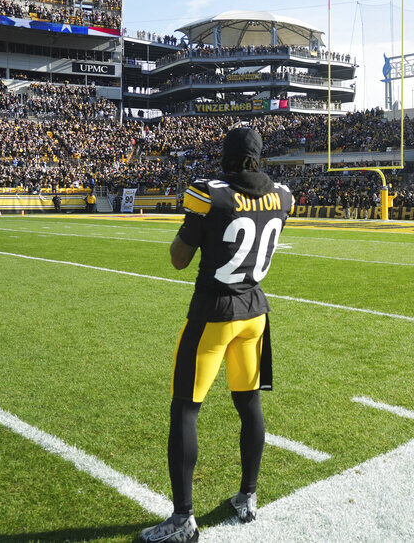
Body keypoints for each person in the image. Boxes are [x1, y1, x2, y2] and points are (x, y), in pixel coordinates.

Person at [141, 128, 293, 543]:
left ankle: (183, 517)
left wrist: (197, 228)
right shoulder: (282, 196)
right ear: (258, 157)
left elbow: (178, 258)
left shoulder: (211, 195)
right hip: (255, 313)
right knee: (249, 403)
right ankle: (248, 495)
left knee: (186, 410)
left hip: (214, 313)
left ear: (226, 156)